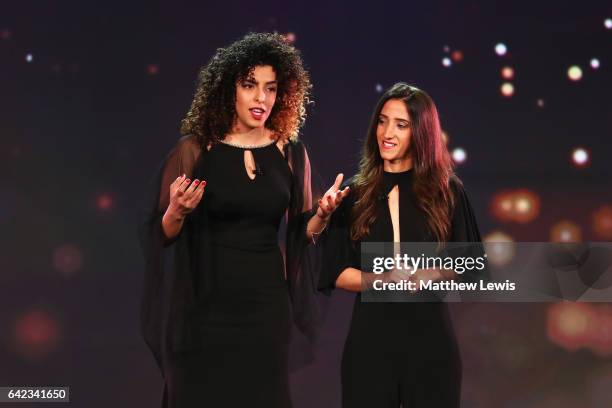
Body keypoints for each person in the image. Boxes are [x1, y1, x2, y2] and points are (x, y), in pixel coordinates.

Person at [139, 32, 349, 408]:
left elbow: (303, 235)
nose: (261, 98)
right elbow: (159, 234)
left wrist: (321, 214)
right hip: (203, 310)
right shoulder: (194, 149)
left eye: (270, 88)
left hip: (265, 312)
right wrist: (177, 212)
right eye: (250, 86)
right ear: (228, 90)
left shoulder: (290, 152)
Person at [319, 83, 483, 407]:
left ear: (420, 133)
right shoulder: (354, 193)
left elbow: (471, 263)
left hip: (431, 344)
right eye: (382, 121)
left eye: (401, 124)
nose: (387, 133)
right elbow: (334, 271)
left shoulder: (447, 191)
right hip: (369, 344)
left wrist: (427, 275)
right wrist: (380, 280)